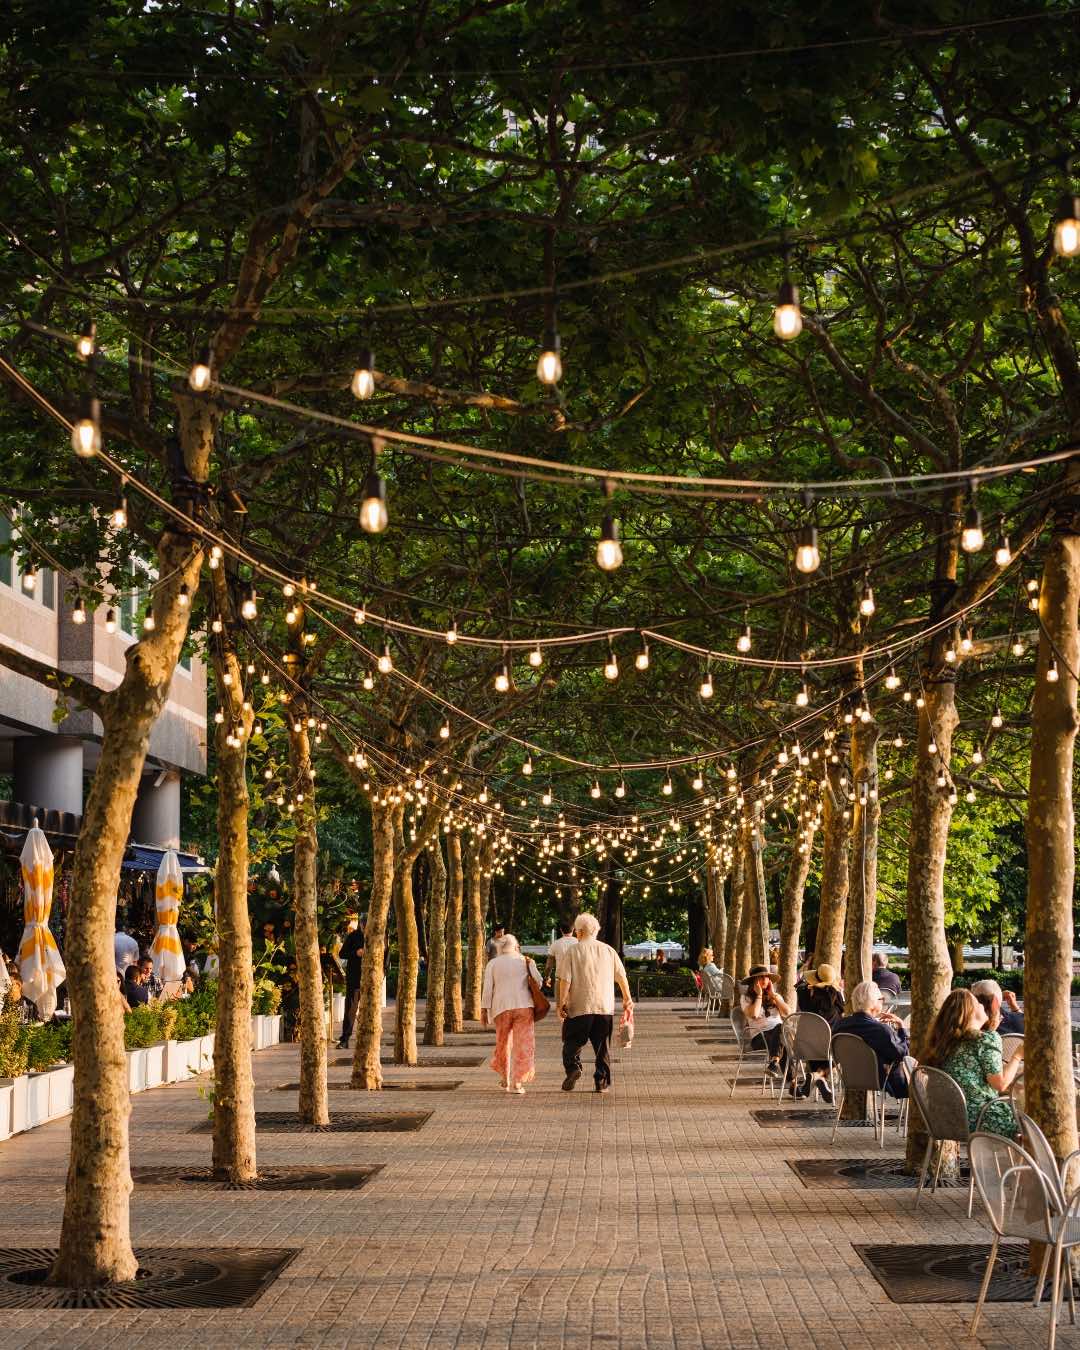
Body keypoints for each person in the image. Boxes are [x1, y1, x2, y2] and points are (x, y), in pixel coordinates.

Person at [923, 987, 1023, 1136]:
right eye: (977, 1003)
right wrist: (1018, 1054)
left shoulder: (944, 1043)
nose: (983, 1006)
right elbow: (1000, 1084)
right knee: (1036, 1121)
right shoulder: (985, 1039)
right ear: (970, 1013)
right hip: (983, 1119)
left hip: (943, 1121)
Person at [556, 913, 633, 1094]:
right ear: (595, 930)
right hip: (604, 1006)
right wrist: (627, 999)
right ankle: (601, 1081)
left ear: (579, 932)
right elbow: (621, 976)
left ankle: (573, 1068)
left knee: (572, 1042)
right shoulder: (608, 950)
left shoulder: (573, 951)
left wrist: (562, 1003)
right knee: (602, 1047)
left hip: (579, 1006)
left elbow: (565, 980)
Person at [480, 934, 541, 1094]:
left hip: (501, 1008)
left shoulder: (493, 963)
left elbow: (487, 989)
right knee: (523, 1044)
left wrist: (484, 1010)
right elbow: (539, 981)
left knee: (503, 1042)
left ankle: (505, 1080)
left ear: (500, 947)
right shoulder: (525, 960)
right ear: (516, 946)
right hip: (523, 1006)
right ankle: (517, 1083)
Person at [833, 980, 909, 1100]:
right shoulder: (880, 1030)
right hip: (881, 1080)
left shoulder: (840, 1025)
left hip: (850, 1078)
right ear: (873, 1003)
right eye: (881, 999)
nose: (883, 1002)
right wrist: (901, 1028)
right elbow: (902, 1054)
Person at [794, 963, 844, 1102]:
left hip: (805, 1044)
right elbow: (842, 1014)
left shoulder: (804, 992)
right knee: (843, 1050)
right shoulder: (836, 996)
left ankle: (816, 1076)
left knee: (815, 1041)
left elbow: (801, 1007)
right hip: (828, 1046)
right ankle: (819, 1075)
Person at [740, 965, 791, 1078]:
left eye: (766, 977)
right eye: (760, 977)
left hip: (778, 1035)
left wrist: (773, 995)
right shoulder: (746, 998)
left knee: (781, 1032)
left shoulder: (775, 996)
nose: (764, 980)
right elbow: (754, 1014)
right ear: (753, 981)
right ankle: (792, 1083)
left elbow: (787, 1012)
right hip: (759, 1036)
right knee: (782, 1034)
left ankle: (774, 1062)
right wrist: (759, 995)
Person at [336, 913, 365, 1049]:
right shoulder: (353, 936)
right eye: (364, 924)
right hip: (355, 978)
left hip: (372, 978)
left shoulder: (378, 935)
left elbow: (385, 953)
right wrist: (356, 953)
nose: (365, 927)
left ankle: (368, 1039)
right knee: (351, 1008)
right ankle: (345, 1038)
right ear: (360, 924)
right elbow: (342, 954)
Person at [543, 920, 577, 990]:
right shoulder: (578, 943)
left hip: (560, 979)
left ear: (561, 930)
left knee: (560, 1001)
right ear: (573, 929)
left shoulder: (555, 944)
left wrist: (547, 977)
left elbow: (549, 965)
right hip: (576, 980)